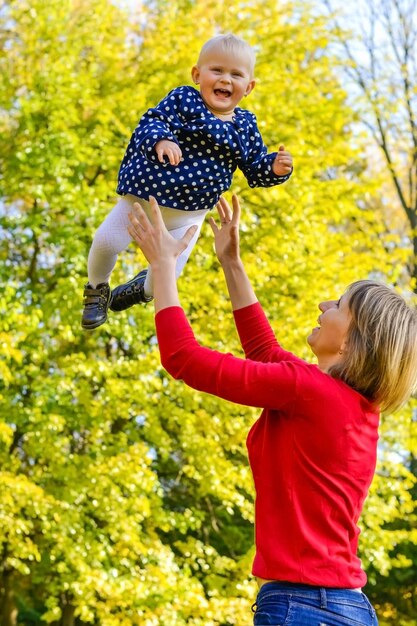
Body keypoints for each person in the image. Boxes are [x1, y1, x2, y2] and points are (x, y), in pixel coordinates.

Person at [126, 194, 417, 625]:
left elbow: (183, 358)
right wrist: (231, 261)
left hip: (303, 608)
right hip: (346, 608)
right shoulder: (349, 407)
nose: (323, 306)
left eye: (337, 306)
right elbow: (266, 352)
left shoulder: (311, 393)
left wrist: (163, 267)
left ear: (355, 341)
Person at [81, 33, 293, 330]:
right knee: (106, 242)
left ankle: (141, 289)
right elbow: (151, 121)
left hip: (188, 218)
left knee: (164, 282)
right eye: (217, 71)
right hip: (144, 200)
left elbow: (255, 169)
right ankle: (96, 288)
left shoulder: (245, 127)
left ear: (249, 87)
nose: (226, 80)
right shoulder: (184, 100)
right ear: (197, 74)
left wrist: (276, 167)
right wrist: (162, 140)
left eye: (236, 74)